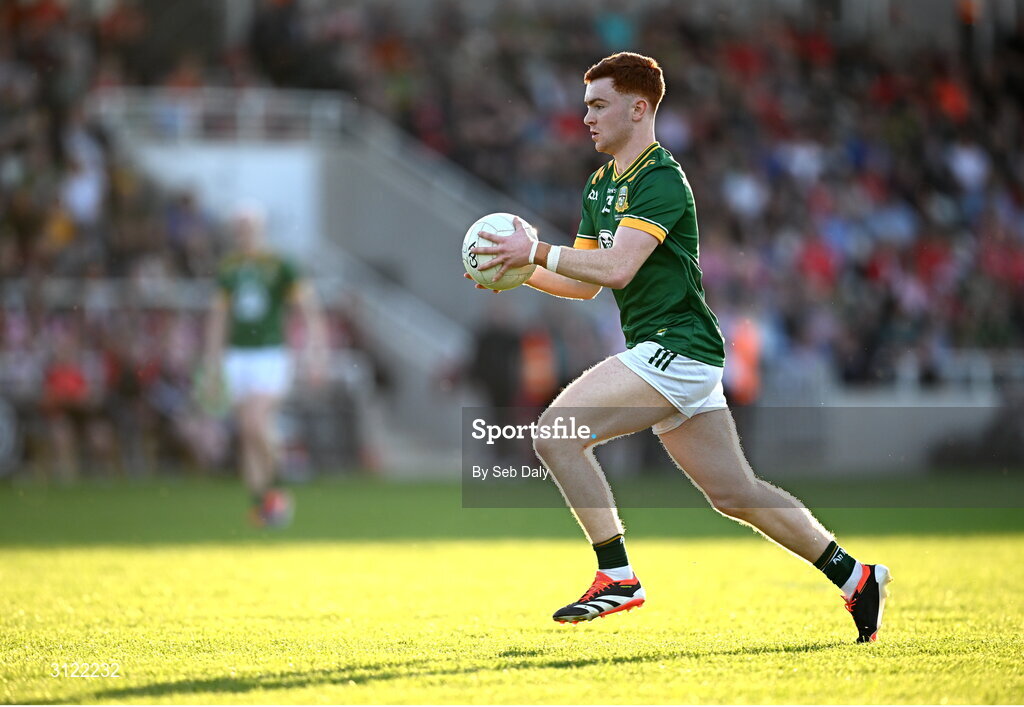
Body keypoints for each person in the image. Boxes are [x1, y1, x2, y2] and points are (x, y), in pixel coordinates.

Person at [468, 52, 891, 643]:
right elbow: (585, 282)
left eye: (598, 105)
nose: (585, 116)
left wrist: (534, 251)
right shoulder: (601, 184)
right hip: (671, 354)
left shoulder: (660, 178)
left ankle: (617, 576)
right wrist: (514, 269)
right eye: (586, 105)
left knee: (556, 433)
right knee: (734, 493)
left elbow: (616, 267)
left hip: (676, 348)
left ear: (639, 108)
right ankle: (856, 577)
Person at [202, 202, 327, 527]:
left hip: (270, 354)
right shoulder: (229, 267)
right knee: (246, 431)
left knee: (257, 422)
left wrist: (317, 352)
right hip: (238, 355)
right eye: (239, 227)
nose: (244, 233)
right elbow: (219, 318)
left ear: (260, 229)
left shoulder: (281, 264)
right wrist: (212, 364)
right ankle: (262, 506)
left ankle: (278, 488)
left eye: (249, 227)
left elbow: (308, 310)